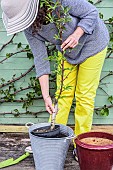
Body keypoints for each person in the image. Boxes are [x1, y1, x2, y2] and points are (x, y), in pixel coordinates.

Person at [1, 0, 109, 160]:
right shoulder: (30, 28)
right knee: (62, 95)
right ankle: (53, 141)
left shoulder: (58, 2)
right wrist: (46, 96)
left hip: (93, 43)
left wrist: (76, 34)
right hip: (67, 51)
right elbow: (41, 59)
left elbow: (91, 12)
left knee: (84, 97)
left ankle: (80, 146)